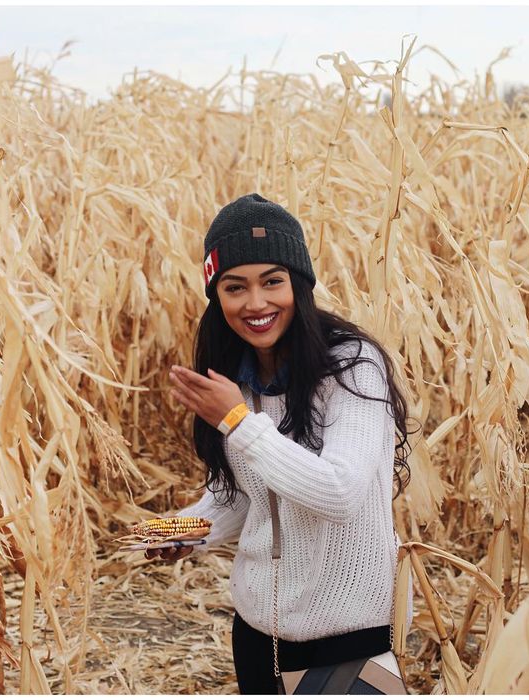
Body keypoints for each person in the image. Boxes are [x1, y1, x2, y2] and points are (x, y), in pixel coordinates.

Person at [157, 193, 412, 694]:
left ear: (299, 283)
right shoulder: (237, 377)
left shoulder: (353, 366)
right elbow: (241, 496)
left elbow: (340, 494)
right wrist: (180, 531)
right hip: (257, 633)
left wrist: (237, 420)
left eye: (272, 281)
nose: (256, 303)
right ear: (218, 297)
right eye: (235, 287)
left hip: (346, 640)